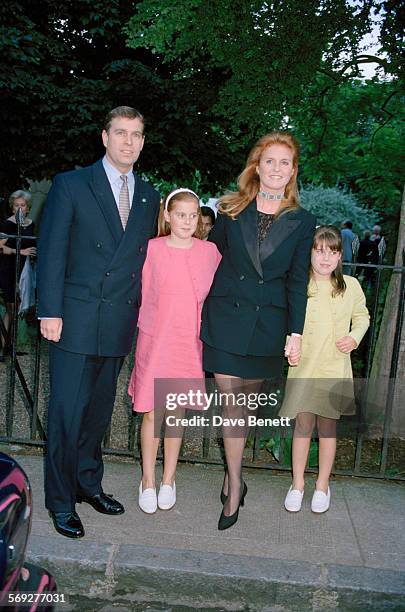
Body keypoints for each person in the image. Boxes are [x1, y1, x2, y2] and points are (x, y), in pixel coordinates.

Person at [37, 106, 160, 538]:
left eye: (137, 135)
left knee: (98, 414)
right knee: (67, 413)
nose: (129, 142)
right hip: (74, 318)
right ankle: (59, 500)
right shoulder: (71, 184)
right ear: (104, 137)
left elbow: (145, 259)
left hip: (118, 321)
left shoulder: (148, 194)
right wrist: (49, 310)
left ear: (143, 142)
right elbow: (52, 251)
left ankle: (88, 484)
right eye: (121, 133)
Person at [201, 131, 316, 530]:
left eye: (285, 162)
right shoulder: (230, 209)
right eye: (270, 160)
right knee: (231, 407)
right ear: (257, 165)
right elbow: (208, 261)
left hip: (268, 326)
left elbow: (297, 281)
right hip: (225, 321)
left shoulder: (303, 221)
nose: (277, 168)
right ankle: (234, 485)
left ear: (292, 171)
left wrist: (295, 333)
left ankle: (235, 476)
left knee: (244, 411)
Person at [128, 188, 221, 514]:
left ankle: (169, 478)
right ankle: (148, 480)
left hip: (187, 341)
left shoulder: (209, 253)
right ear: (167, 215)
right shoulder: (151, 249)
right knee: (153, 411)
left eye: (193, 215)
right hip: (155, 339)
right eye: (180, 214)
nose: (186, 221)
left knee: (176, 411)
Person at [279, 226, 369, 514]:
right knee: (303, 426)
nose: (325, 258)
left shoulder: (351, 286)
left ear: (340, 256)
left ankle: (322, 485)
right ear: (310, 254)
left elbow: (363, 317)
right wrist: (289, 345)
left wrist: (354, 337)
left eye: (332, 252)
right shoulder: (298, 286)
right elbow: (286, 321)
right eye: (319, 251)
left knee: (327, 428)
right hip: (304, 365)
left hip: (333, 366)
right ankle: (297, 485)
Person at [0, 190, 36, 361]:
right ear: (12, 207)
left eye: (22, 205)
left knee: (18, 308)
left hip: (24, 270)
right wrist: (20, 252)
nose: (19, 208)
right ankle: (2, 348)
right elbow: (0, 247)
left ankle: (9, 346)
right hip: (8, 268)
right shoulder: (7, 224)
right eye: (16, 205)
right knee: (11, 309)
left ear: (28, 208)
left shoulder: (30, 224)